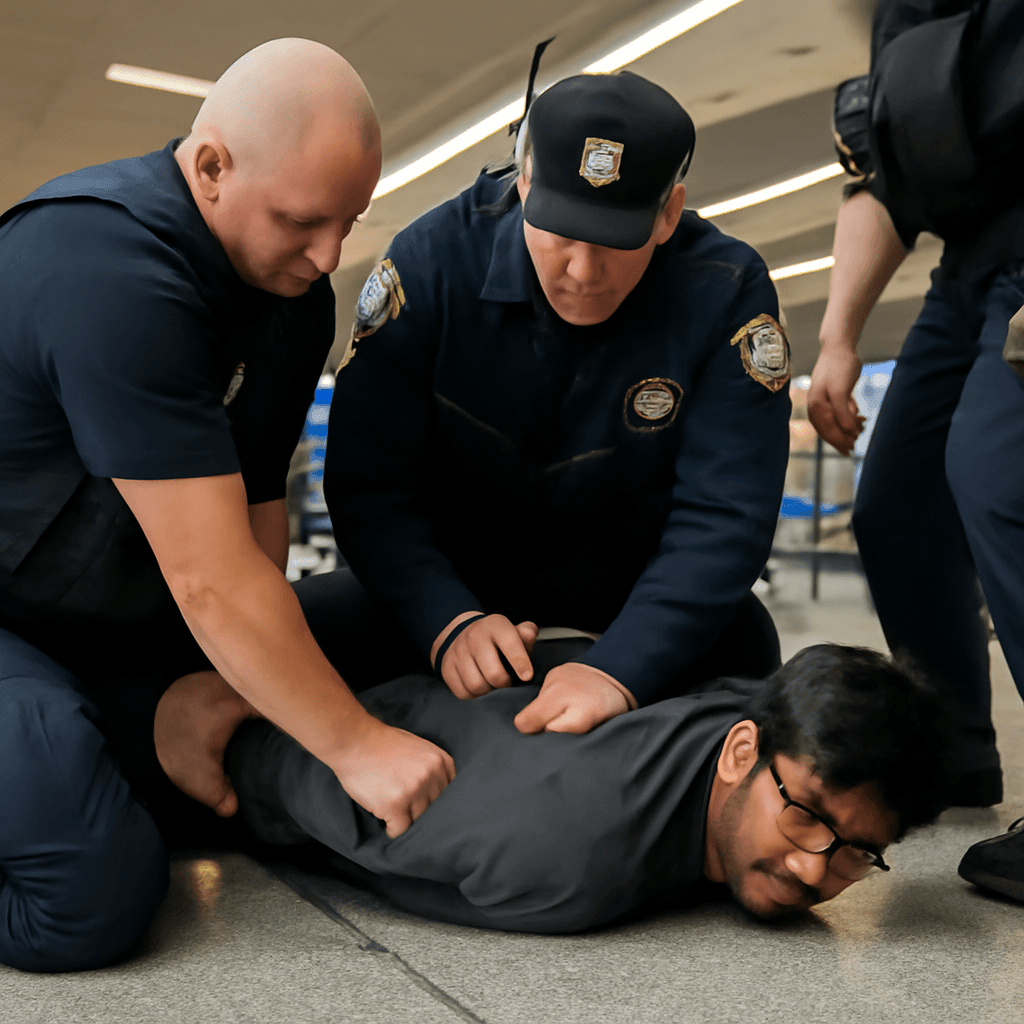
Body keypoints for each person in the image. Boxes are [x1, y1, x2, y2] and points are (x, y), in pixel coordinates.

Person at [0, 38, 455, 973]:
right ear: (210, 167)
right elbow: (209, 579)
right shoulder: (106, 266)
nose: (329, 253)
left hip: (114, 617)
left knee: (397, 607)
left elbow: (255, 517)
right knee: (91, 900)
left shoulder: (290, 292)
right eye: (301, 220)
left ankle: (145, 726)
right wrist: (354, 744)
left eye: (348, 219)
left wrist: (242, 684)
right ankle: (110, 744)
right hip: (14, 626)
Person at [318, 70, 792, 736]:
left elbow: (724, 516)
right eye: (561, 233)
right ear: (524, 187)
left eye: (613, 242)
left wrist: (622, 669)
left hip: (631, 598)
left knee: (748, 656)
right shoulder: (433, 263)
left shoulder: (726, 292)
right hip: (451, 582)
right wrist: (446, 621)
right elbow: (370, 485)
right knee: (301, 635)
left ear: (667, 213)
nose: (582, 271)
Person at [226, 642, 952, 932]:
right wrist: (232, 738)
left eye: (860, 851)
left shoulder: (758, 708)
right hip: (259, 683)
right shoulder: (570, 852)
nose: (813, 869)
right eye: (805, 817)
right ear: (740, 749)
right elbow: (307, 782)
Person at [807, 0, 1024, 897]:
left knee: (999, 476)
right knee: (895, 501)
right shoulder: (908, 14)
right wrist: (837, 341)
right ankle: (960, 753)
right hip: (969, 264)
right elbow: (887, 181)